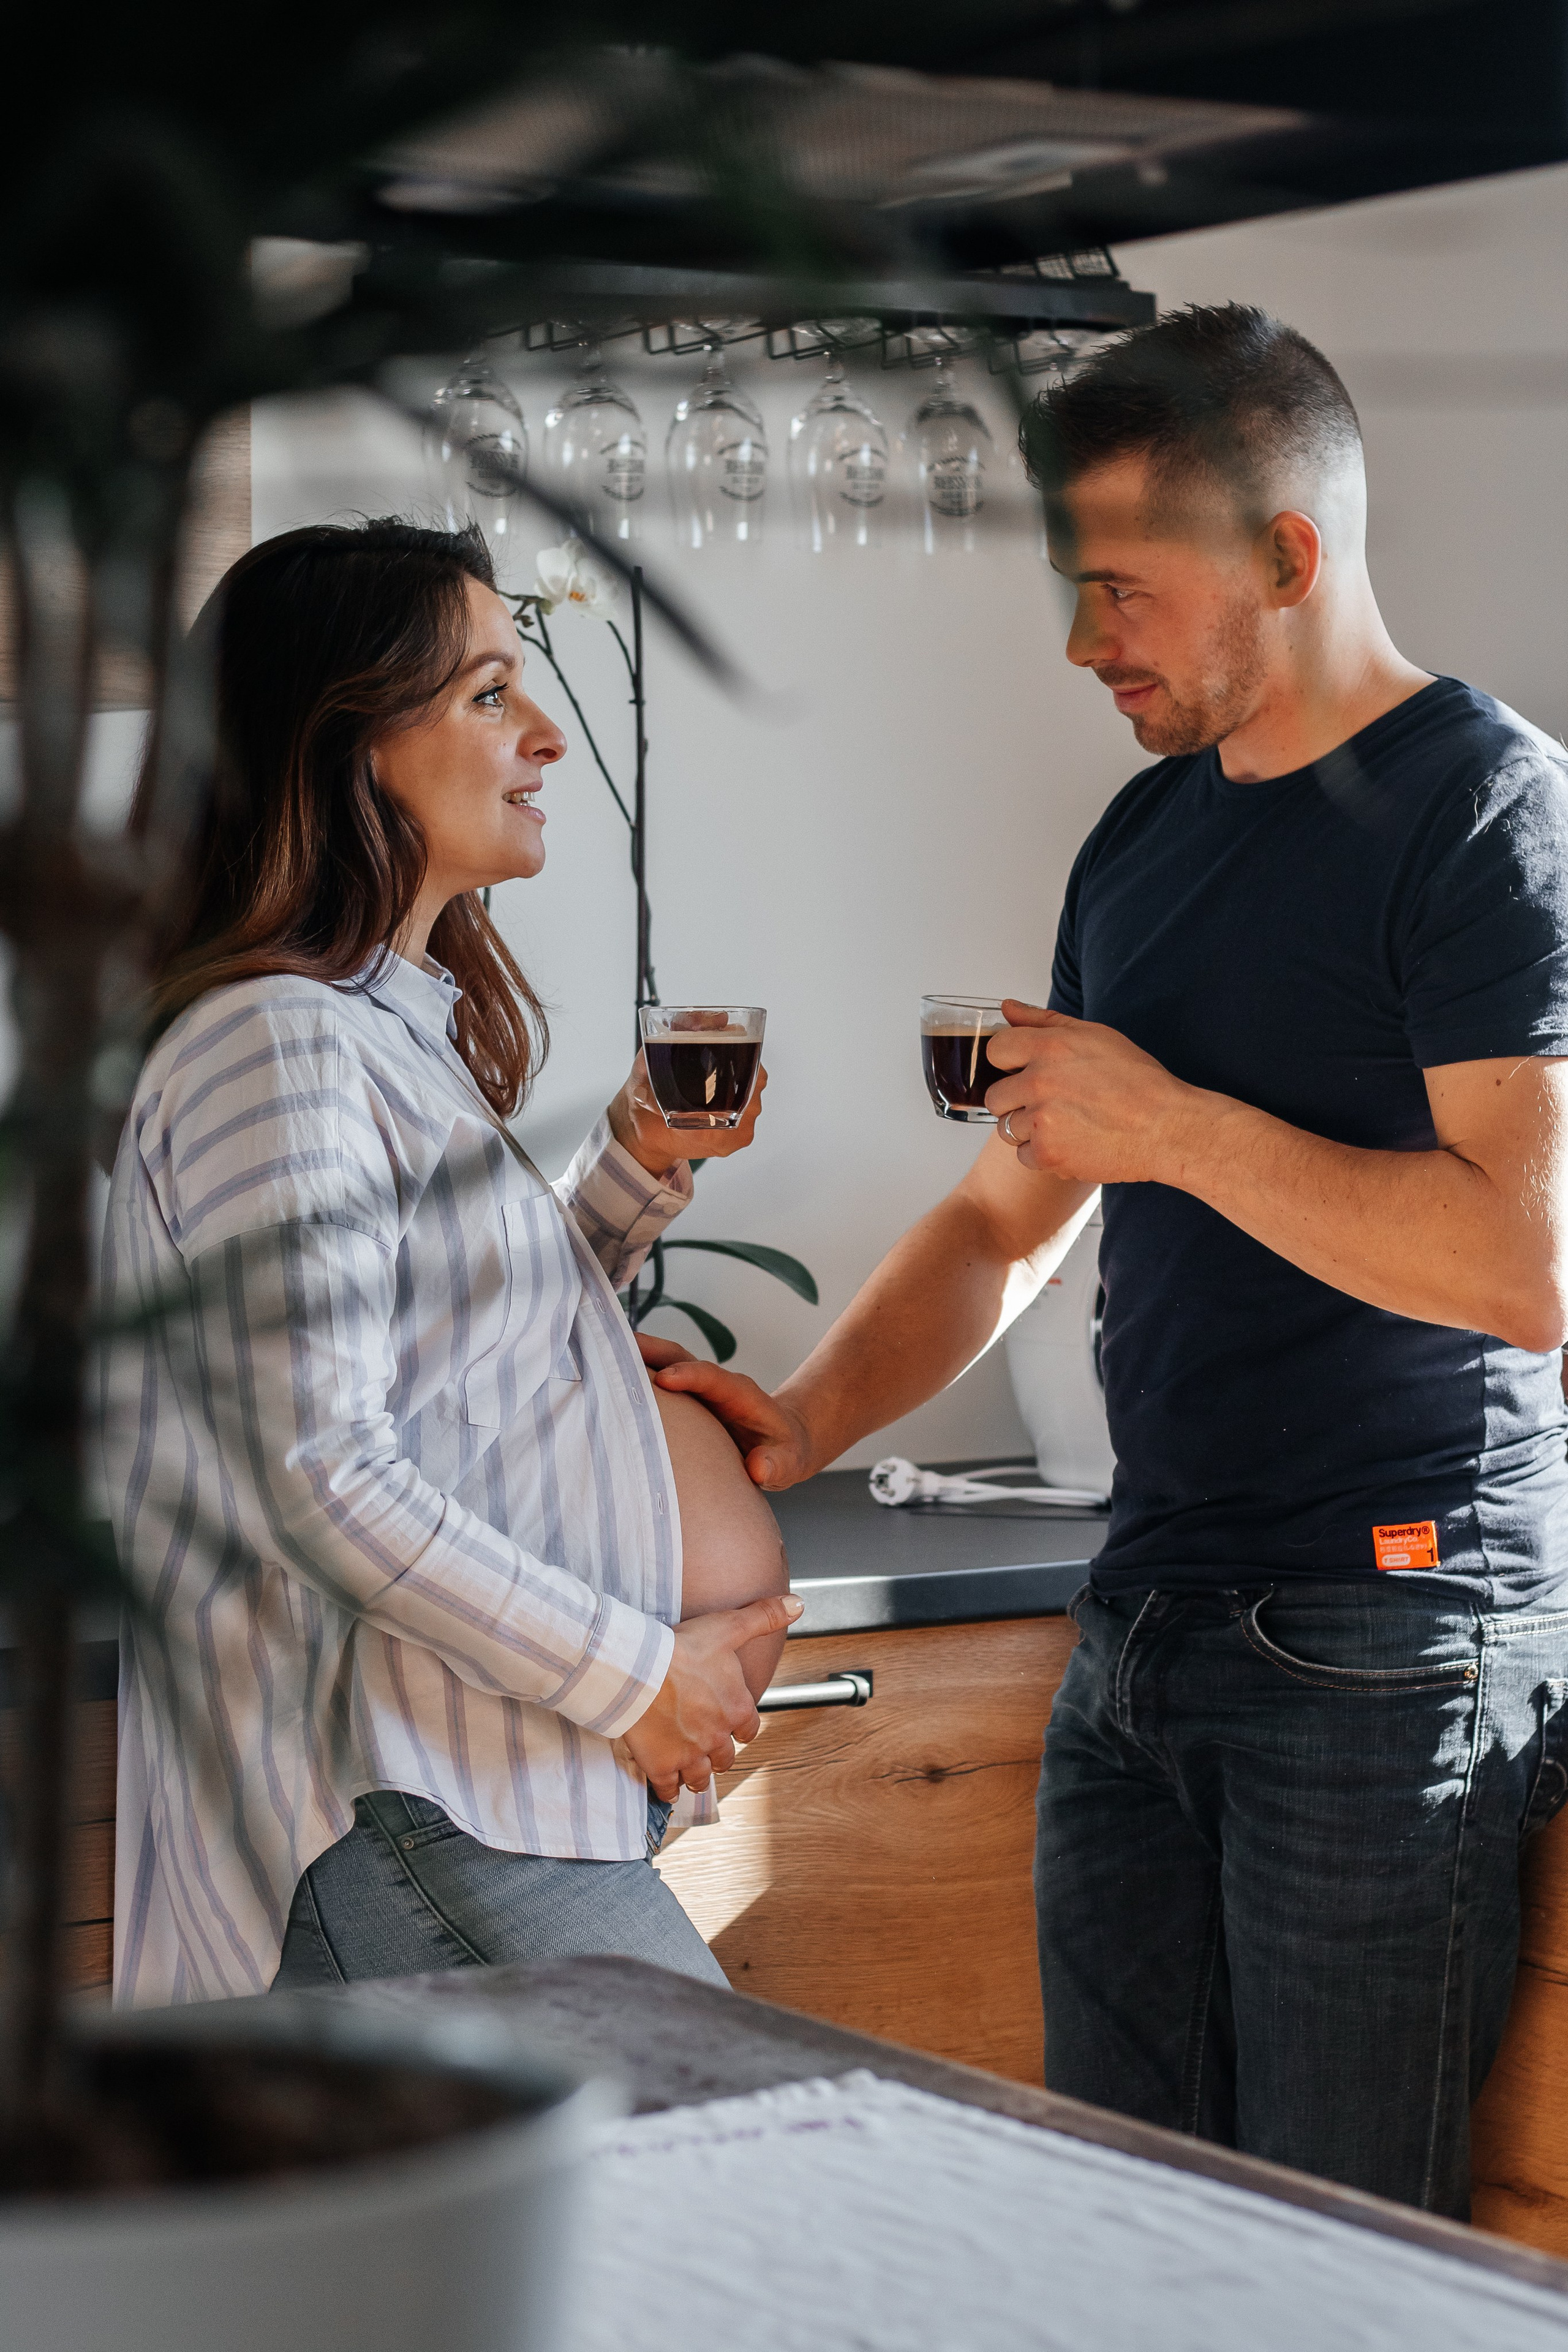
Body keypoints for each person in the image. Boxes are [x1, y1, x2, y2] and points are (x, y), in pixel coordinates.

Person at [644, 306, 1568, 2216]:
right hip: (1144, 1625)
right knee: (1117, 2228)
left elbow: (1522, 1264)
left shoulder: (1490, 818)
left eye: (1122, 593)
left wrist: (1168, 1130)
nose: (1083, 647)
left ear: (1289, 559)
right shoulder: (1143, 840)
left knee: (1337, 2267)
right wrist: (798, 1424)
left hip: (1390, 1634)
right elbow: (1007, 1217)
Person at [101, 518, 796, 2007]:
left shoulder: (362, 1030)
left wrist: (630, 1174)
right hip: (403, 1799)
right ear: (341, 745)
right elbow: (324, 1472)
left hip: (477, 1794)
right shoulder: (275, 1045)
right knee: (741, 2167)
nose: (543, 733)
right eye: (488, 695)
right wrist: (640, 1676)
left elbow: (454, 1351)